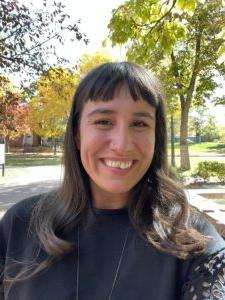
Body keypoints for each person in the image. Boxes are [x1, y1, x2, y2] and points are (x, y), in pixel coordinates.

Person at [0, 62, 225, 300]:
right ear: (77, 134)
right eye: (104, 121)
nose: (121, 144)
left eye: (139, 124)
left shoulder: (194, 240)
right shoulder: (20, 224)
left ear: (155, 136)